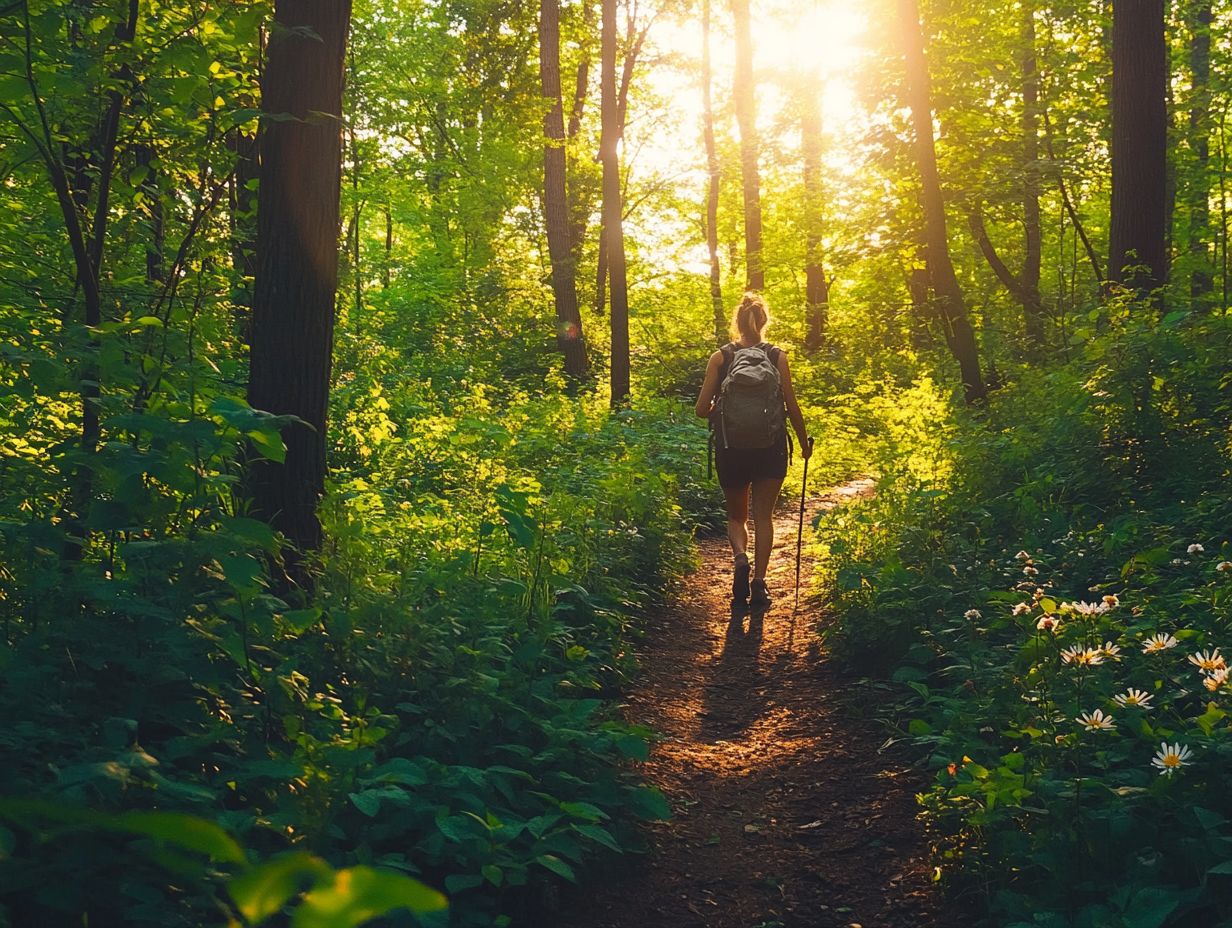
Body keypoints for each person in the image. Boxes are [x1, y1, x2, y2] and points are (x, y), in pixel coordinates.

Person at [695, 292, 810, 610]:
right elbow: (791, 406)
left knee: (736, 516)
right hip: (770, 447)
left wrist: (720, 406)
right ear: (764, 322)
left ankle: (740, 558)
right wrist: (802, 442)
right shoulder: (777, 357)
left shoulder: (721, 357)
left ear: (738, 322)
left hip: (732, 448)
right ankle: (759, 585)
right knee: (764, 518)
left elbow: (701, 410)